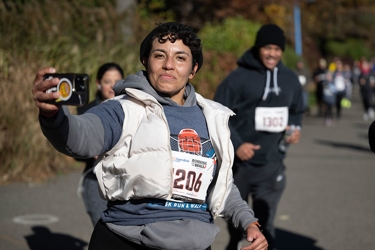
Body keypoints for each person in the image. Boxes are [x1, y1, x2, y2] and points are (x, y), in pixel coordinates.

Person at [32, 22, 268, 250]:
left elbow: (222, 185)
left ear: (193, 69)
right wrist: (54, 116)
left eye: (180, 57)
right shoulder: (122, 109)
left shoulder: (213, 117)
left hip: (194, 243)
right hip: (124, 239)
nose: (168, 65)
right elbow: (79, 138)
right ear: (145, 61)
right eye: (159, 55)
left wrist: (248, 221)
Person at [213, 24, 304, 250]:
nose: (272, 53)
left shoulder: (290, 79)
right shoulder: (237, 78)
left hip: (271, 163)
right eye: (267, 47)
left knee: (266, 222)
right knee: (236, 220)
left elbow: (297, 109)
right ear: (258, 48)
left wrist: (295, 128)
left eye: (277, 48)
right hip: (239, 165)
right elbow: (218, 114)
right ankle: (234, 242)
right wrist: (237, 144)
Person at [76, 62, 124, 226]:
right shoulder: (86, 111)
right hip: (95, 179)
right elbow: (75, 150)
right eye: (107, 81)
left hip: (125, 179)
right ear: (98, 84)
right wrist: (89, 150)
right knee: (101, 227)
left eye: (117, 81)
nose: (112, 86)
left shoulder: (134, 108)